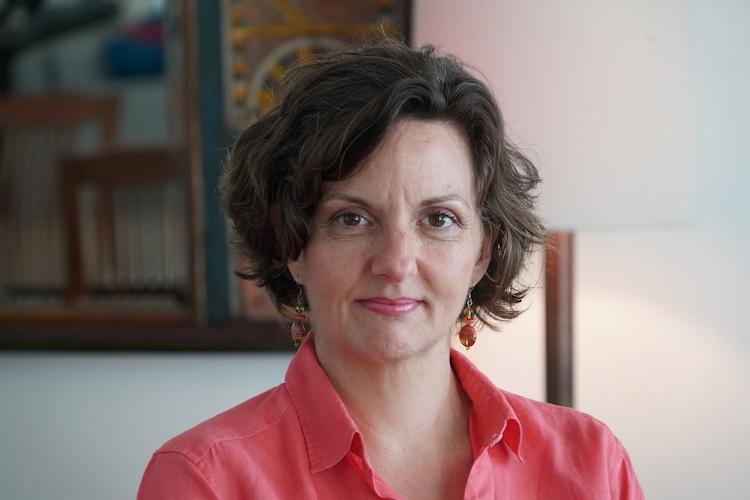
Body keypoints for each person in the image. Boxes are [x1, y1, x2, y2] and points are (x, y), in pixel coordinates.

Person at [137, 37, 644, 499]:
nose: (396, 262)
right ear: (293, 245)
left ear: (482, 253)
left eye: (438, 219)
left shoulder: (593, 465)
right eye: (352, 219)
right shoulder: (203, 479)